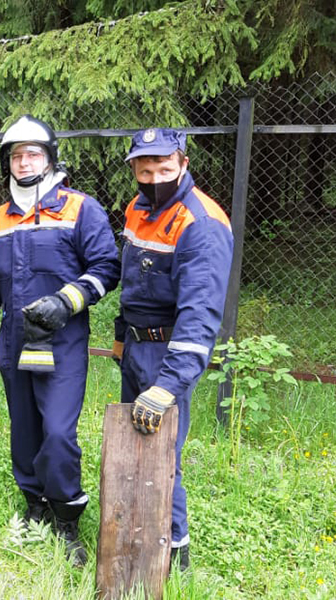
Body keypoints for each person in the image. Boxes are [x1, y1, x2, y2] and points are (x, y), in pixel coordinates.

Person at [0, 115, 120, 566]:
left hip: (62, 338)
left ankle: (67, 517)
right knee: (25, 431)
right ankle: (34, 507)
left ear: (50, 158)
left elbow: (107, 267)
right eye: (16, 155)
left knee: (56, 432)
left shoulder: (80, 208)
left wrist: (68, 301)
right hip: (14, 339)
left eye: (33, 153)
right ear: (7, 163)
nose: (24, 162)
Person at [114, 128, 233, 572]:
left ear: (183, 163)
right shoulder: (139, 208)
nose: (154, 177)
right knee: (134, 448)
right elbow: (134, 282)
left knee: (164, 458)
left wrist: (168, 386)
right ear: (134, 171)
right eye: (145, 170)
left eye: (164, 168)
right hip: (136, 350)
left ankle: (174, 555)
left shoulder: (200, 223)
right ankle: (134, 536)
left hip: (167, 357)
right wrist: (121, 335)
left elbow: (200, 316)